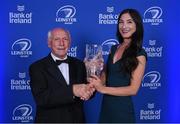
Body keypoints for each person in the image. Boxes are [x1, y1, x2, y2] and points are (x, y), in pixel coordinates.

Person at [89, 9, 147, 123]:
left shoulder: (140, 54)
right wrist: (94, 72)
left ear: (137, 25)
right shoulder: (113, 48)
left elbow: (133, 89)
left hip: (122, 111)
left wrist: (103, 89)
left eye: (129, 22)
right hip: (106, 109)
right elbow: (104, 78)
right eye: (121, 22)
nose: (124, 26)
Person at [29, 28, 95, 123]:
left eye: (65, 39)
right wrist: (72, 90)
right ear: (49, 43)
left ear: (70, 42)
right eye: (57, 39)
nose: (61, 43)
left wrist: (92, 84)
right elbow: (41, 98)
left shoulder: (80, 64)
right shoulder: (37, 67)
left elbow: (86, 91)